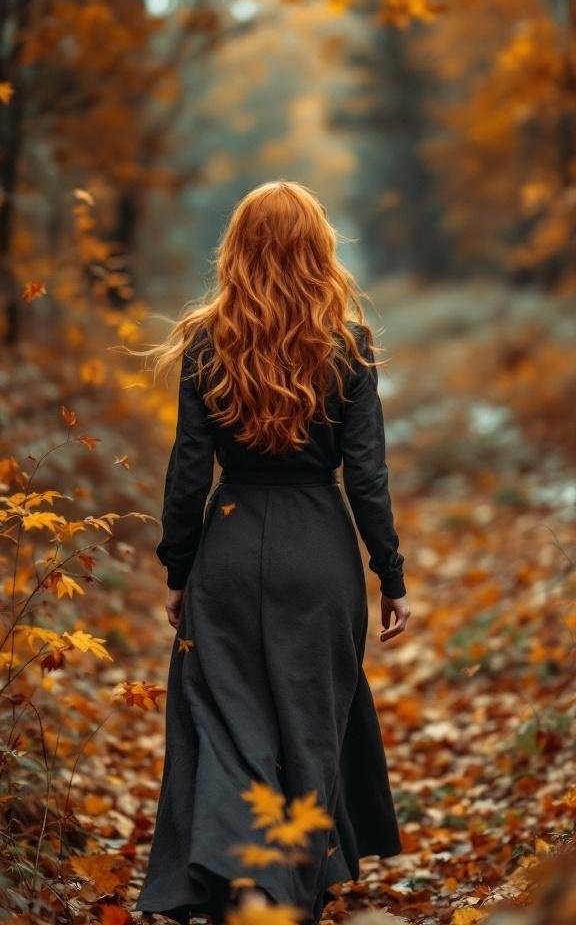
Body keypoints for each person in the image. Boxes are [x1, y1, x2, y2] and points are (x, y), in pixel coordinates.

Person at [132, 181, 410, 925]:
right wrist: (390, 573)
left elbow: (189, 466)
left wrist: (179, 566)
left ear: (239, 248)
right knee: (310, 720)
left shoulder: (205, 338)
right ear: (318, 248)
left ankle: (240, 883)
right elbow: (368, 475)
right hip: (319, 553)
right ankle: (292, 887)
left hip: (228, 543)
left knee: (227, 720)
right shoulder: (347, 342)